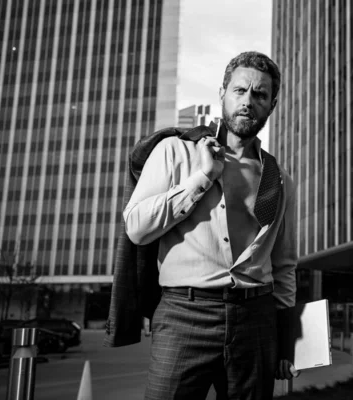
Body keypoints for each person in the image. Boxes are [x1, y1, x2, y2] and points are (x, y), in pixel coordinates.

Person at [123, 51, 298, 400]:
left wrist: (287, 340)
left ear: (272, 104)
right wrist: (203, 177)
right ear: (222, 93)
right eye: (240, 91)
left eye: (260, 95)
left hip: (256, 317)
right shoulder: (176, 151)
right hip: (184, 314)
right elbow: (137, 228)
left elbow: (284, 266)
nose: (248, 102)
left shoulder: (279, 179)